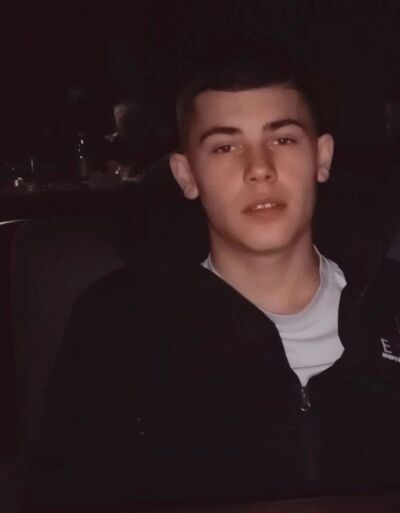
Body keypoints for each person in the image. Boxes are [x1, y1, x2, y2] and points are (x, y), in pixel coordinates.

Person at [26, 54, 400, 512]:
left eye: (282, 139)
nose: (259, 168)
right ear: (186, 175)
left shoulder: (390, 303)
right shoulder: (117, 324)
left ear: (321, 157)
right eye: (225, 147)